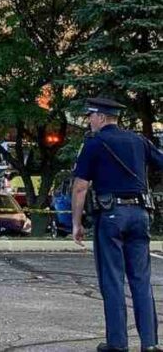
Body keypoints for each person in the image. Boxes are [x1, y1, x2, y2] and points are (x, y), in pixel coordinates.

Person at [71, 97, 163, 352]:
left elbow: (80, 187)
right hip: (141, 215)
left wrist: (76, 223)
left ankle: (118, 343)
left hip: (111, 215)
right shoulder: (139, 141)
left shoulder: (94, 143)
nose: (89, 121)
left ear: (101, 117)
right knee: (141, 280)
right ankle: (150, 343)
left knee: (112, 280)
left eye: (91, 116)